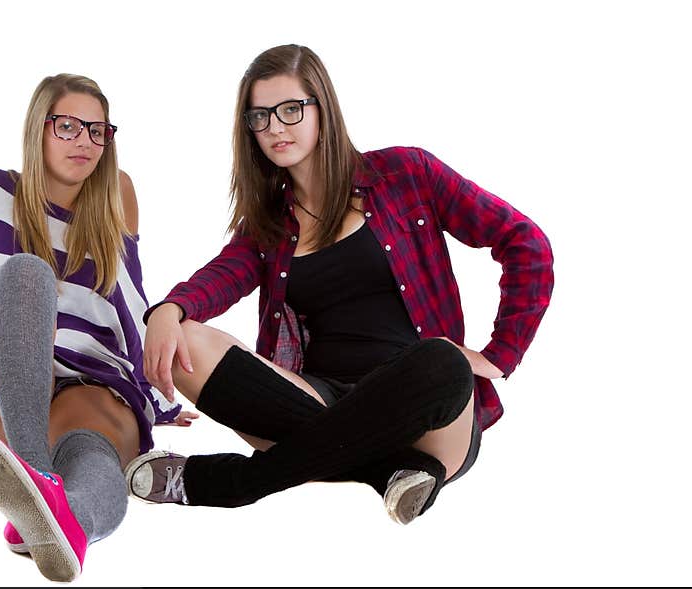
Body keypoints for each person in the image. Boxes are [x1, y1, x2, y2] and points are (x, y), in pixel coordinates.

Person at [127, 44, 553, 523]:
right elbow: (219, 277)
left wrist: (502, 355)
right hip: (315, 399)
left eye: (291, 109)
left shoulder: (406, 173)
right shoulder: (269, 226)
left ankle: (236, 483)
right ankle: (388, 472)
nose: (275, 128)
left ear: (322, 107)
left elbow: (526, 244)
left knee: (443, 360)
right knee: (184, 339)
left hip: (426, 414)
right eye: (260, 117)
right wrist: (167, 310)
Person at [0, 73, 194, 581]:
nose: (84, 141)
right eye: (67, 126)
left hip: (90, 377)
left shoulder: (117, 195)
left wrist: (160, 398)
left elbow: (131, 300)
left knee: (96, 458)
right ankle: (34, 473)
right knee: (27, 273)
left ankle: (66, 523)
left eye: (97, 130)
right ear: (38, 129)